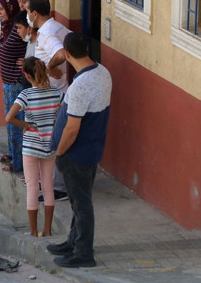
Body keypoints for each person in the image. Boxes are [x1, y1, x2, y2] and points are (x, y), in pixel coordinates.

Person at [46, 32, 112, 268]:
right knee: (77, 201)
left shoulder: (80, 87)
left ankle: (83, 254)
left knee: (81, 205)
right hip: (91, 149)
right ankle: (73, 242)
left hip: (76, 154)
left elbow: (72, 129)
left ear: (67, 54)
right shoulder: (102, 72)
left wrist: (60, 152)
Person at [5, 57, 61, 237]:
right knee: (48, 187)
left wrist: (27, 125)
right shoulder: (56, 93)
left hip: (31, 146)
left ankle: (33, 231)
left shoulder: (26, 95)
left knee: (32, 188)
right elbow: (61, 116)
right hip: (49, 145)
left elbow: (9, 118)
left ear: (26, 75)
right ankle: (48, 230)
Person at [27, 0, 71, 200]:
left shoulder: (46, 34)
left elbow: (61, 53)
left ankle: (58, 187)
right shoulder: (59, 27)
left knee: (53, 141)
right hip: (59, 92)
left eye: (27, 12)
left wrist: (50, 67)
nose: (27, 16)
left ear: (34, 14)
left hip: (52, 97)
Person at [0, 0, 27, 173]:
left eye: (2, 9)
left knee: (16, 121)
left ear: (10, 8)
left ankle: (20, 162)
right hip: (6, 81)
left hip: (16, 81)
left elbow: (33, 43)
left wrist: (29, 59)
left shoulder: (19, 27)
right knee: (9, 121)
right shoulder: (6, 26)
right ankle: (13, 154)